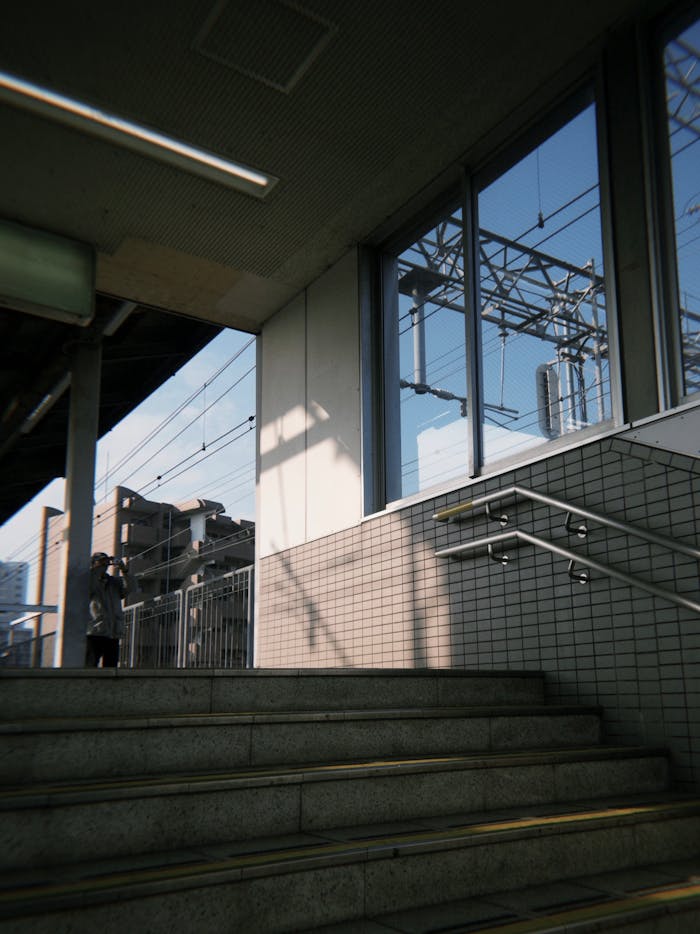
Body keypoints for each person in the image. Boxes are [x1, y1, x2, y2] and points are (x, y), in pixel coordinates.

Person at [86, 552, 130, 668]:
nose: (104, 565)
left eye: (106, 562)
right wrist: (96, 569)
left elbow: (129, 589)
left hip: (113, 631)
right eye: (101, 561)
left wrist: (124, 570)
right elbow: (88, 588)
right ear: (93, 564)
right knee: (90, 665)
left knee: (110, 668)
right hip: (95, 631)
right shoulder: (89, 580)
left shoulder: (113, 582)